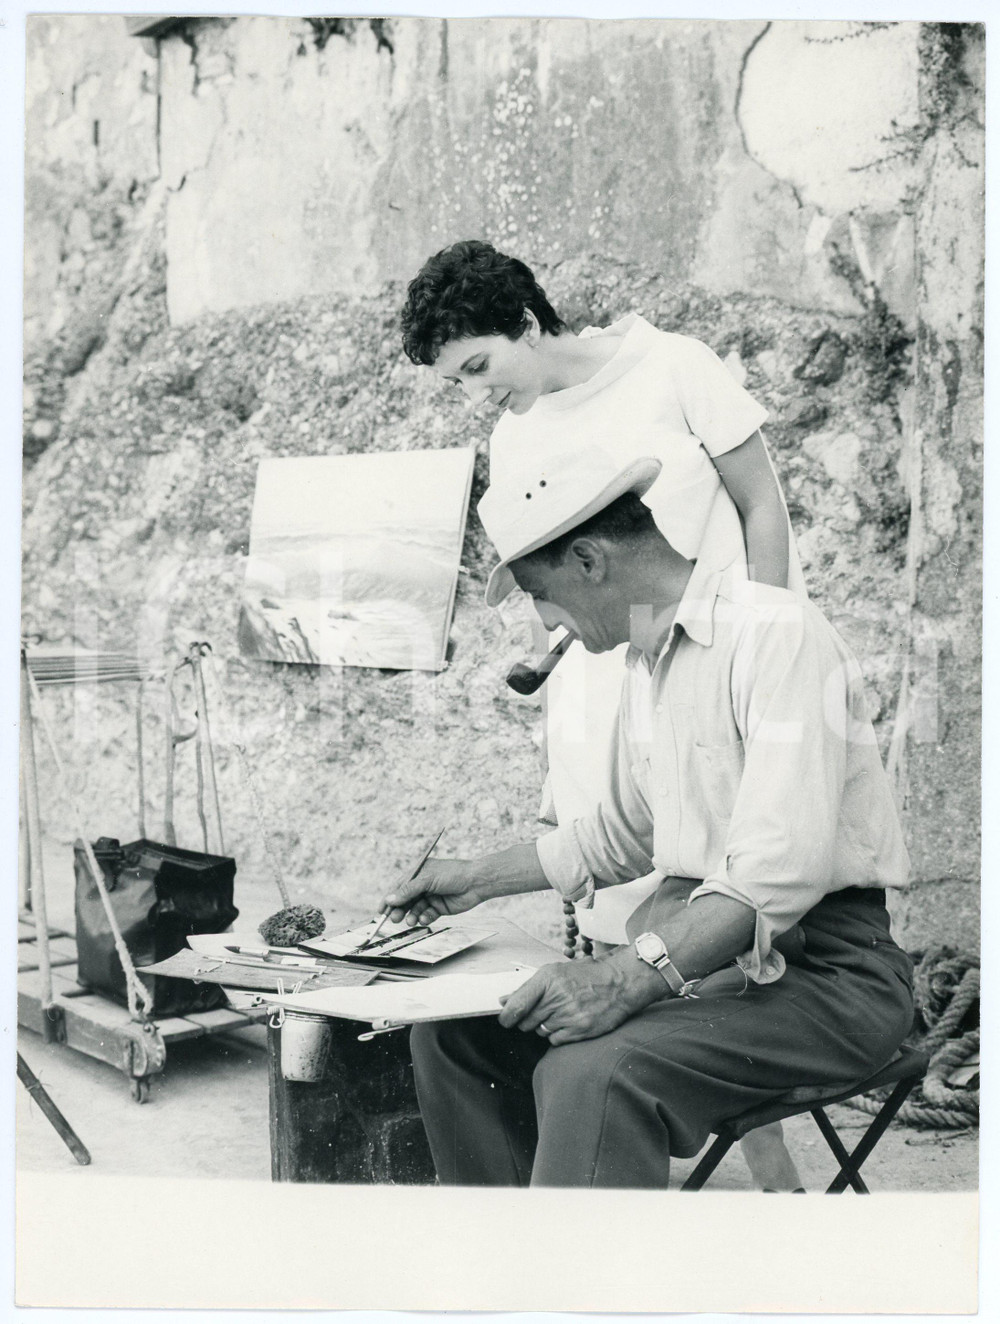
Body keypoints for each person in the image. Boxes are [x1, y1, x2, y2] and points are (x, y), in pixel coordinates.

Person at [379, 448, 914, 1189]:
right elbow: (625, 833)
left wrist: (627, 979)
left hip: (824, 978)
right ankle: (505, 1272)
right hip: (712, 967)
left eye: (539, 593)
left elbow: (773, 875)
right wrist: (473, 879)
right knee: (458, 1040)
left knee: (595, 1073)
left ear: (591, 561)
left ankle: (589, 1296)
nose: (541, 620)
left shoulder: (776, 632)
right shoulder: (646, 661)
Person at [401, 239, 809, 1187]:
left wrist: (763, 635)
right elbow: (561, 578)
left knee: (722, 889)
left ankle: (767, 1162)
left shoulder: (676, 367)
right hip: (604, 682)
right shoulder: (514, 435)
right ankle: (608, 1158)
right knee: (625, 895)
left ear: (529, 324)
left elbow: (761, 506)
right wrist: (548, 646)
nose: (476, 393)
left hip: (716, 661)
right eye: (455, 379)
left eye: (478, 366)